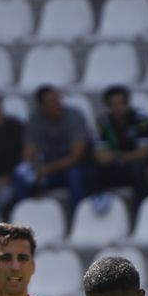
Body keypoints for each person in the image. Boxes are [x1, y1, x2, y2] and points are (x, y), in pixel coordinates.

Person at [24, 85, 93, 215]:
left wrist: (47, 169)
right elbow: (29, 149)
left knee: (75, 175)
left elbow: (76, 156)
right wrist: (30, 168)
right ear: (41, 106)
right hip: (49, 167)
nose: (57, 104)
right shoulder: (35, 119)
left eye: (57, 99)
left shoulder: (74, 116)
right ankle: (25, 216)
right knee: (22, 177)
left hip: (74, 166)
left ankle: (78, 215)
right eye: (51, 101)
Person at [93, 85, 148, 204]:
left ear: (128, 103)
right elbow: (100, 156)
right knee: (92, 172)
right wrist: (124, 156)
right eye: (113, 104)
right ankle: (100, 210)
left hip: (137, 166)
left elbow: (143, 153)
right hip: (115, 167)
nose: (118, 108)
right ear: (107, 106)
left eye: (121, 103)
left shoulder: (141, 120)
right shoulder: (103, 123)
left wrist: (116, 156)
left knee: (138, 170)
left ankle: (141, 209)